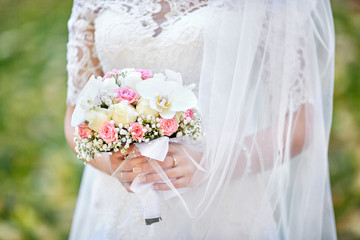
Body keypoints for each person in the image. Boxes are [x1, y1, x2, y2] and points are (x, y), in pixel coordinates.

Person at [64, 0, 337, 239]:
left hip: (223, 203)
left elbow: (300, 123)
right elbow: (74, 117)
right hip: (120, 202)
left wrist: (210, 164)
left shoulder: (266, 4)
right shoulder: (91, 2)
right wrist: (110, 162)